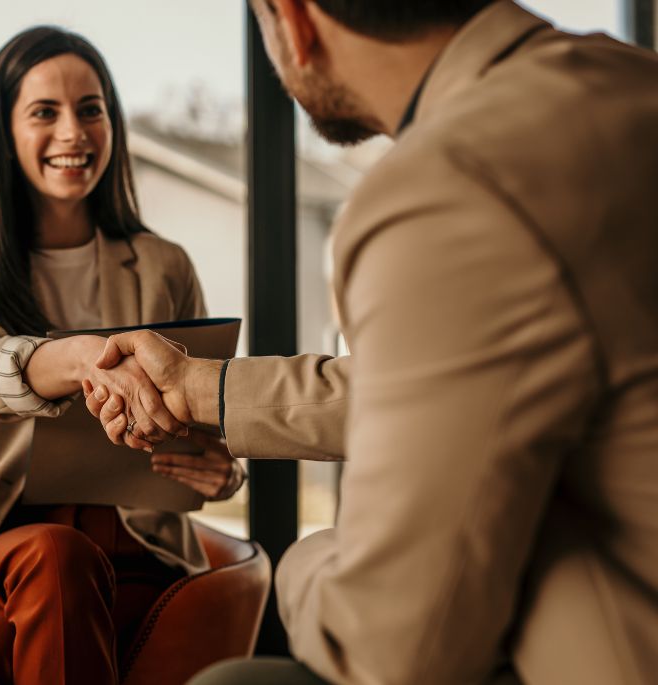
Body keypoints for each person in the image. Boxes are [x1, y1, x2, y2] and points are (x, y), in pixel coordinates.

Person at [86, 1, 658, 683]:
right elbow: (461, 380)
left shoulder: (451, 183)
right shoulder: (629, 85)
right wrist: (196, 386)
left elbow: (390, 652)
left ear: (293, 22)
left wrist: (305, 561)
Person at [0, 26, 245, 685]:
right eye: (44, 112)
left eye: (91, 108)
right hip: (2, 551)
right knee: (55, 554)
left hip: (138, 551)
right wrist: (78, 357)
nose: (73, 132)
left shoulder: (164, 265)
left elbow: (201, 426)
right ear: (4, 133)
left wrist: (224, 472)